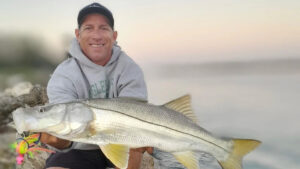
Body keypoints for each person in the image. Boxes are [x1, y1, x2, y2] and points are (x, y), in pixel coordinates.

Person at [41, 2, 150, 169]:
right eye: (89, 28)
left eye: (103, 28)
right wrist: (59, 139)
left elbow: (135, 118)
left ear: (114, 36)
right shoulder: (63, 75)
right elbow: (62, 134)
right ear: (77, 34)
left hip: (120, 142)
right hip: (78, 148)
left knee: (135, 144)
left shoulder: (129, 69)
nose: (96, 35)